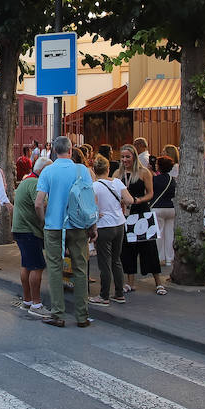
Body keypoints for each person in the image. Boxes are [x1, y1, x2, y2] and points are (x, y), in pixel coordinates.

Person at [32, 137, 95, 327]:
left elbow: (38, 203)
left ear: (53, 151)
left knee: (54, 268)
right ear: (71, 150)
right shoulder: (81, 170)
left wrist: (44, 220)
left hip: (54, 226)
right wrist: (93, 226)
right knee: (80, 269)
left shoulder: (48, 171)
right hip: (78, 226)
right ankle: (82, 316)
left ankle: (57, 313)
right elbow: (90, 201)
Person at [117, 145, 164, 296]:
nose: (125, 160)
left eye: (128, 157)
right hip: (126, 214)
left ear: (134, 157)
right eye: (123, 157)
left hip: (142, 212)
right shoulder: (118, 173)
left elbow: (150, 194)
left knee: (149, 248)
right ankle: (129, 282)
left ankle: (158, 282)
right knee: (128, 248)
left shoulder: (144, 172)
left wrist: (138, 200)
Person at [89, 155, 131, 306]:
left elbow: (93, 208)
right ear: (108, 169)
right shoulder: (118, 182)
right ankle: (119, 293)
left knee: (104, 262)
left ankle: (104, 295)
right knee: (116, 260)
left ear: (94, 170)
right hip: (119, 224)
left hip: (103, 225)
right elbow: (130, 200)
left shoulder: (94, 187)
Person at [12, 156, 51, 312]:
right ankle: (36, 303)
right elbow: (40, 204)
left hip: (21, 229)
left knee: (27, 265)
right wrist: (43, 221)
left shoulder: (26, 181)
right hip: (29, 230)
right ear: (42, 171)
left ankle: (27, 300)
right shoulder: (35, 183)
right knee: (37, 266)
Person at [151, 156, 177, 267]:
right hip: (171, 208)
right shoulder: (172, 180)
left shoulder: (155, 179)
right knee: (170, 234)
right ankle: (169, 259)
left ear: (159, 166)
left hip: (157, 207)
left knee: (159, 234)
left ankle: (160, 258)